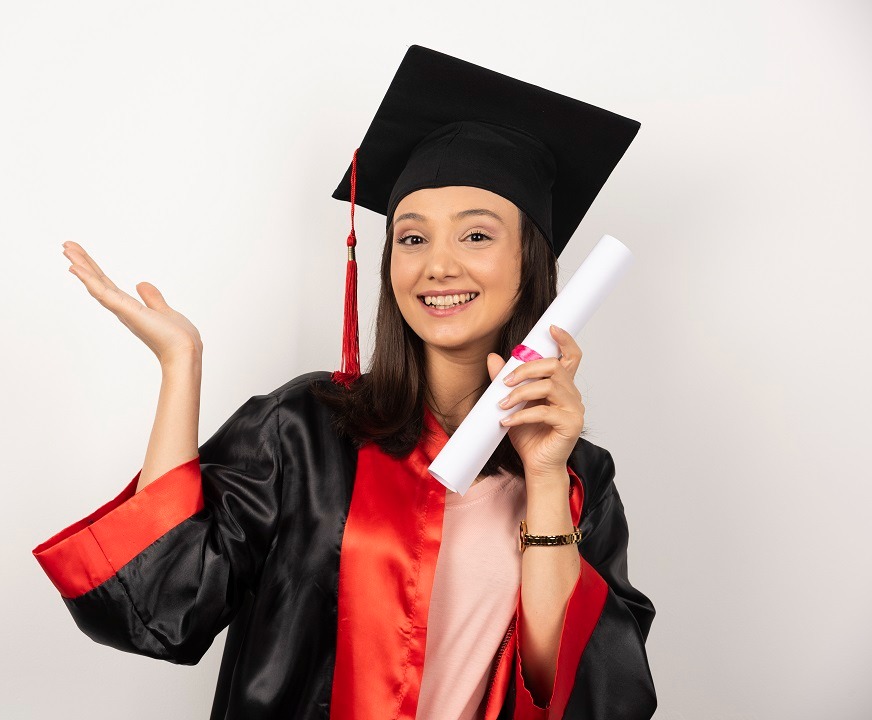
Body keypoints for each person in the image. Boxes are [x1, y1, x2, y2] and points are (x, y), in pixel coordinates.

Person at [33, 45, 657, 720]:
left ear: (528, 263)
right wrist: (180, 366)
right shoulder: (306, 428)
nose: (438, 265)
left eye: (475, 237)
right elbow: (158, 608)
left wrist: (541, 478)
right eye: (413, 239)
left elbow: (587, 697)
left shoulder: (576, 479)